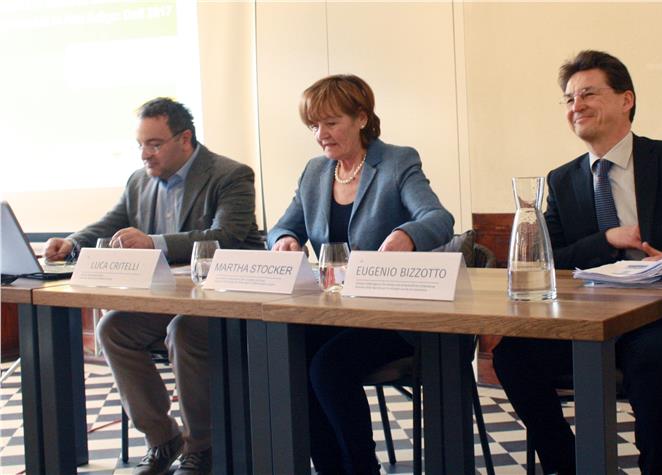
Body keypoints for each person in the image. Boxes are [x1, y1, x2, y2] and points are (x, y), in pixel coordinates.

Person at [492, 50, 662, 475]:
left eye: (588, 94)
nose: (577, 105)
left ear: (626, 100)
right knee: (513, 356)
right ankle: (568, 464)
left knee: (653, 361)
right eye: (569, 99)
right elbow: (552, 258)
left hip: (661, 320)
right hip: (586, 320)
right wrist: (606, 240)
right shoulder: (562, 180)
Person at [44, 97, 263, 475]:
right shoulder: (139, 180)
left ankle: (202, 448)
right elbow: (110, 222)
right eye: (141, 145)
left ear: (185, 139)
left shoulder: (230, 175)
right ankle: (163, 439)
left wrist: (154, 242)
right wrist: (72, 242)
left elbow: (226, 236)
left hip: (226, 300)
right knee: (112, 328)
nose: (145, 154)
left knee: (184, 330)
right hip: (168, 299)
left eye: (155, 144)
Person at [267, 74, 454, 474]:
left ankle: (362, 468)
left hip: (392, 316)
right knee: (290, 353)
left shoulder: (397, 162)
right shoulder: (315, 172)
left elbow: (438, 219)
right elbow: (282, 227)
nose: (321, 134)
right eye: (314, 125)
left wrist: (407, 234)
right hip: (335, 313)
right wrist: (284, 240)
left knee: (328, 367)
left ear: (362, 118)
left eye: (331, 123)